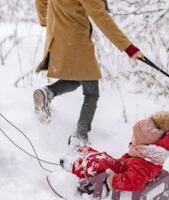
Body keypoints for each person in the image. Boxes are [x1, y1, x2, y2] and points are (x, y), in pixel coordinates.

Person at [33, 0, 144, 146]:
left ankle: (47, 93)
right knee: (91, 92)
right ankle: (80, 136)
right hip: (76, 39)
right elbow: (101, 17)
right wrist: (129, 48)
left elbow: (40, 1)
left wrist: (46, 21)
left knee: (77, 78)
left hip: (58, 36)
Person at [61, 111, 169, 192]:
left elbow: (134, 182)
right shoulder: (148, 155)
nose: (132, 140)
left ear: (145, 143)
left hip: (117, 174)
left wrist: (113, 180)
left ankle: (73, 165)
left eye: (135, 137)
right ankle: (80, 151)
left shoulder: (141, 164)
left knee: (98, 164)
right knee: (101, 157)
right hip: (122, 168)